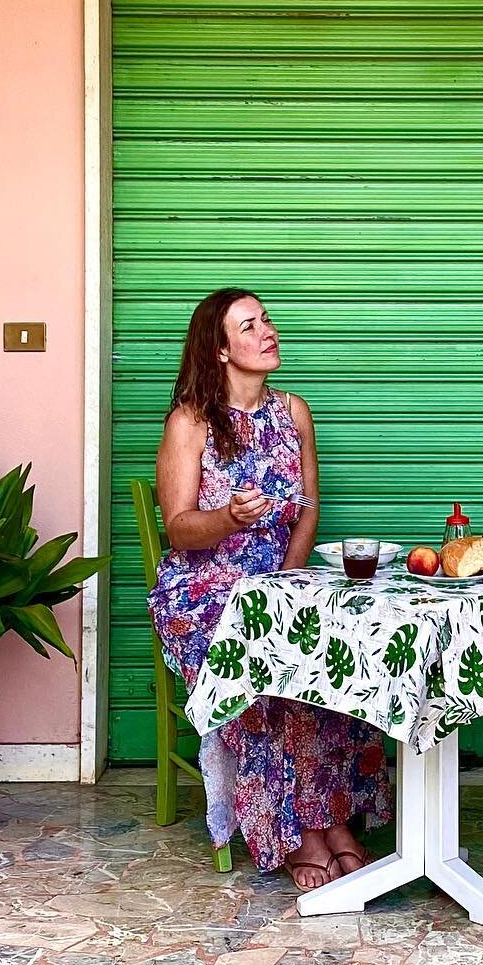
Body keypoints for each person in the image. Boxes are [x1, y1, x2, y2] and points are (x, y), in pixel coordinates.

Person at [147, 288, 392, 889]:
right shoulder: (190, 422)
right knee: (272, 671)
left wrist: (286, 581)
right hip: (204, 593)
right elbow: (178, 527)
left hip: (280, 581)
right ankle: (307, 832)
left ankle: (332, 821)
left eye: (266, 321)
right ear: (221, 348)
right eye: (249, 326)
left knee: (340, 658)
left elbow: (308, 509)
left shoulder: (294, 412)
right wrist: (229, 519)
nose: (267, 332)